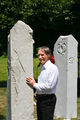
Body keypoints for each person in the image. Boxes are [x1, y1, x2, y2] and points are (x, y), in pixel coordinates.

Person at [26, 46, 59, 120]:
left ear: (48, 55)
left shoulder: (53, 68)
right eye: (38, 55)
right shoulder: (42, 67)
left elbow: (50, 86)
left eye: (42, 55)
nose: (40, 57)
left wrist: (34, 84)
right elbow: (43, 82)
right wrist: (37, 91)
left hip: (48, 100)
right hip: (40, 99)